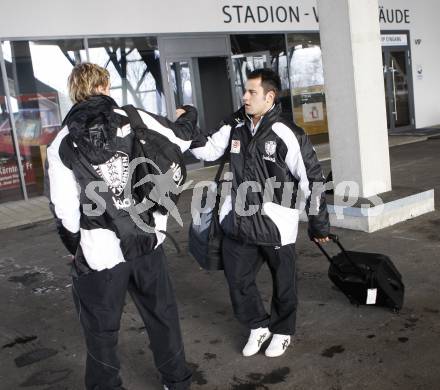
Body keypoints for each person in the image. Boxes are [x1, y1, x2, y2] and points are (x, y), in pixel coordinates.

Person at [45, 63, 198, 389]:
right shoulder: (135, 116)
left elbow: (65, 209)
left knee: (101, 332)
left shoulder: (61, 140)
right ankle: (177, 382)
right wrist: (189, 114)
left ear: (74, 91)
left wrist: (77, 246)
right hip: (147, 240)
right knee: (162, 317)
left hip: (100, 254)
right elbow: (181, 139)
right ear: (104, 86)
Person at [189, 68, 330, 358]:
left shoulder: (287, 133)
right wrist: (186, 125)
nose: (244, 96)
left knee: (284, 282)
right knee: (238, 280)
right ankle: (257, 325)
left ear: (270, 96)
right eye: (244, 91)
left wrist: (319, 224)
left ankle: (282, 330)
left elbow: (313, 179)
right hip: (239, 221)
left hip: (275, 226)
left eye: (251, 92)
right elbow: (207, 151)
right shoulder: (236, 128)